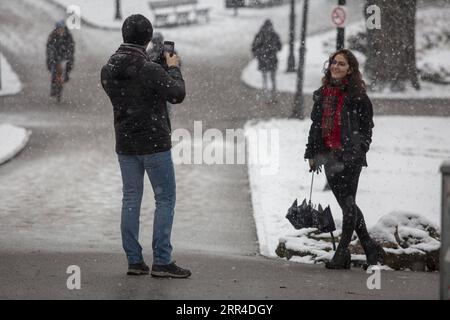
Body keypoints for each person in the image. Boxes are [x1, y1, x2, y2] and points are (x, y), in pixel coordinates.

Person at [101, 14, 191, 278]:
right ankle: (162, 260)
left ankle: (134, 260)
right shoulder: (151, 71)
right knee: (165, 199)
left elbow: (133, 80)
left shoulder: (108, 69)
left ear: (124, 35)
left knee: (130, 198)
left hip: (126, 144)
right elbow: (177, 94)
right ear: (148, 38)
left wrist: (154, 66)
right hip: (154, 144)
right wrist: (172, 67)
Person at [304, 49, 385, 270]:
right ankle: (369, 247)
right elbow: (315, 126)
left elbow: (367, 127)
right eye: (333, 63)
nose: (336, 67)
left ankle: (341, 253)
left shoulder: (357, 95)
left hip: (350, 158)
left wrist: (360, 149)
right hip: (328, 156)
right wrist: (311, 153)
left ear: (350, 69)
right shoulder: (322, 94)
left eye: (341, 64)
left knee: (348, 203)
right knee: (346, 204)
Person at [251, 19, 282, 103]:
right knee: (271, 79)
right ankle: (272, 97)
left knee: (266, 79)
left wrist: (259, 53)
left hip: (264, 59)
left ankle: (268, 97)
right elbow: (279, 47)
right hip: (270, 59)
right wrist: (273, 48)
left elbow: (254, 47)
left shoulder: (260, 35)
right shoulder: (274, 35)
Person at [46, 20, 75, 103]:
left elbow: (71, 47)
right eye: (59, 29)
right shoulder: (52, 36)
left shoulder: (68, 36)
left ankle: (65, 77)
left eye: (62, 29)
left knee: (67, 68)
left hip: (65, 57)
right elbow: (49, 48)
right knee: (53, 71)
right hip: (55, 57)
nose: (61, 31)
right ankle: (53, 87)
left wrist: (69, 56)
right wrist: (52, 57)